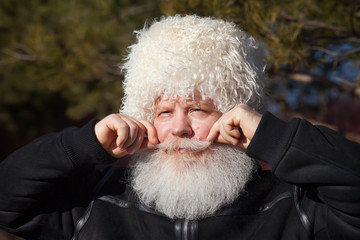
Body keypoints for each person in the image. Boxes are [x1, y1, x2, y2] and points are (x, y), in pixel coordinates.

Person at [0, 15, 359, 240]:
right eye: (165, 112)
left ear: (236, 116)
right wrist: (83, 145)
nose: (180, 129)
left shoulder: (294, 205)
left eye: (199, 109)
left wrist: (274, 138)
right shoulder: (96, 202)